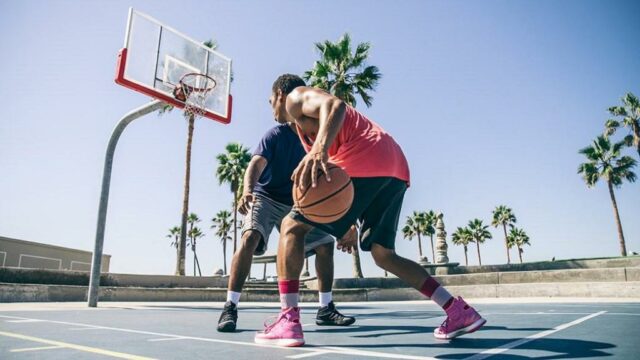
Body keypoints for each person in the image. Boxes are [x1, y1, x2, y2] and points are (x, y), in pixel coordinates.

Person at [254, 74, 486, 346]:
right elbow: (341, 191)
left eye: (270, 100)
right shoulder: (304, 127)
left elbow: (336, 105)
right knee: (383, 254)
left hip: (364, 157)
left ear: (279, 94)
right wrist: (347, 221)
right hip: (394, 167)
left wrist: (319, 149)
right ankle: (457, 310)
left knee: (292, 227)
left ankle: (288, 320)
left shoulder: (295, 97)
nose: (270, 106)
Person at [216, 121, 355, 334]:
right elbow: (256, 164)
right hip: (265, 197)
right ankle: (230, 306)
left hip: (297, 203)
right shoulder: (275, 134)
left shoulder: (316, 139)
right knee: (250, 237)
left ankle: (325, 308)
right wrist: (247, 190)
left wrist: (345, 221)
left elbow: (333, 183)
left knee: (325, 245)